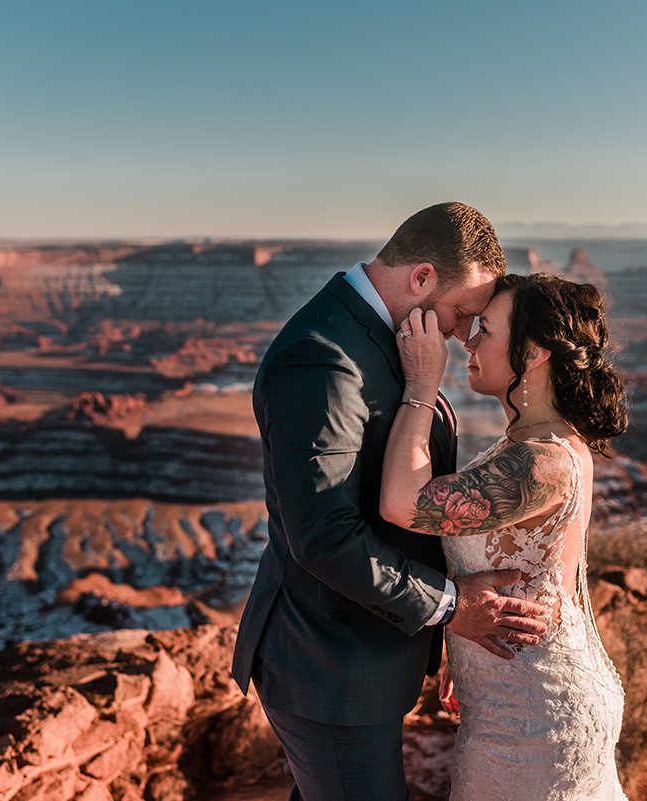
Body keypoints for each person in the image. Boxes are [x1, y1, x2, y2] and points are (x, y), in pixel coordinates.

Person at [231, 202, 552, 801]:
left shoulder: (382, 338)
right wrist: (452, 608)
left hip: (361, 658)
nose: (462, 334)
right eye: (462, 311)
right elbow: (324, 537)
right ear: (422, 278)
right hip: (328, 666)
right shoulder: (324, 358)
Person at [380, 271, 630, 800]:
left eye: (486, 330)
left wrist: (422, 387)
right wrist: (459, 644)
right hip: (512, 695)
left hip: (535, 716)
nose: (468, 341)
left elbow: (403, 505)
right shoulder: (533, 446)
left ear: (534, 351)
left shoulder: (541, 462)